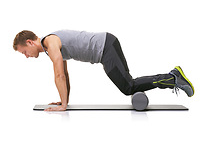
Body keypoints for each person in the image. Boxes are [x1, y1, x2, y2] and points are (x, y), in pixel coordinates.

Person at [13, 30, 194, 111]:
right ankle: (172, 77)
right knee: (128, 85)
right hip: (106, 45)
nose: (27, 56)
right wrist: (63, 101)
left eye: (24, 52)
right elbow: (65, 75)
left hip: (106, 47)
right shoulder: (50, 46)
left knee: (128, 87)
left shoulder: (50, 43)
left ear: (30, 42)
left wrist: (63, 106)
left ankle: (172, 78)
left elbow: (59, 74)